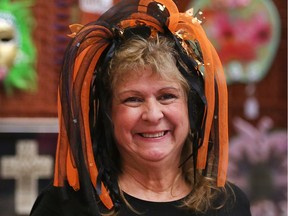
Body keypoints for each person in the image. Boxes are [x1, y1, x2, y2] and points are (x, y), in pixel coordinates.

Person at [30, 0, 251, 215]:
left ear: (190, 107)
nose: (153, 115)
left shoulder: (228, 206)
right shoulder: (64, 207)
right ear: (109, 113)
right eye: (133, 99)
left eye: (167, 96)